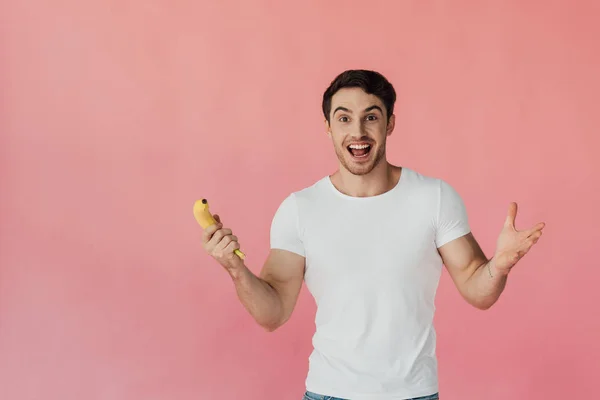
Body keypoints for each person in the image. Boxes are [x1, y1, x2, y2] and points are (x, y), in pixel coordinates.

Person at [200, 69, 545, 400]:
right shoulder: (299, 208)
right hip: (328, 392)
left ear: (390, 123)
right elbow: (272, 313)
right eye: (344, 118)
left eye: (371, 116)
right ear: (328, 127)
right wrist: (235, 268)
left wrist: (499, 265)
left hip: (413, 395)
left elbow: (477, 289)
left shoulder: (434, 198)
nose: (358, 131)